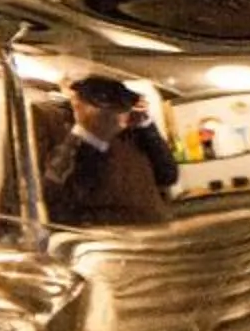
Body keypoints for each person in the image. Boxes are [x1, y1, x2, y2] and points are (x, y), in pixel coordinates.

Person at [37, 75, 178, 226]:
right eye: (96, 91)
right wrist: (88, 135)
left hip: (153, 231)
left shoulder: (133, 123)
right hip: (101, 239)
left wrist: (147, 127)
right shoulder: (50, 117)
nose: (107, 100)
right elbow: (52, 195)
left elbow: (168, 176)